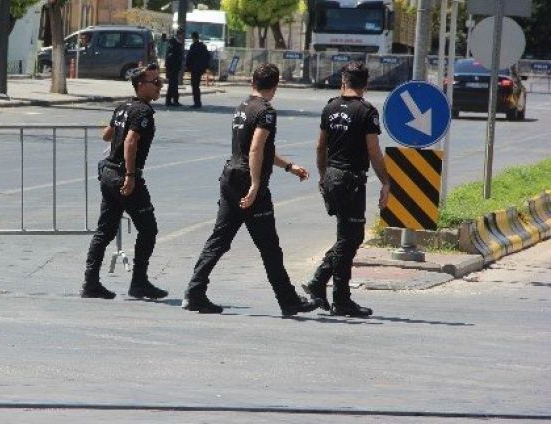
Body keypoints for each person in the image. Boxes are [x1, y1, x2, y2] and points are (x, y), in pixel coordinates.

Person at [182, 64, 320, 316]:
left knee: (220, 239)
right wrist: (256, 185)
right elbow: (256, 149)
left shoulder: (243, 106)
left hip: (231, 175)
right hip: (248, 180)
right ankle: (288, 300)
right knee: (269, 246)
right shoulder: (266, 111)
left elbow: (258, 150)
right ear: (275, 86)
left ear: (253, 82)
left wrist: (288, 166)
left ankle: (194, 292)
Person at [301, 61, 390, 317]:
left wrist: (322, 176)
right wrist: (386, 182)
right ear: (366, 84)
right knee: (350, 238)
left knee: (349, 236)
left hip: (332, 177)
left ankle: (330, 292)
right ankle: (329, 290)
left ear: (343, 81)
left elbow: (320, 147)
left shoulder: (329, 107)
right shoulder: (367, 111)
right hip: (350, 181)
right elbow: (374, 151)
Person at [82, 63, 168, 300]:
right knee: (148, 229)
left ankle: (90, 283)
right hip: (124, 176)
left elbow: (106, 135)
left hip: (109, 173)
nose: (160, 86)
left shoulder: (123, 107)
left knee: (105, 231)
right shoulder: (142, 112)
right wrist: (130, 176)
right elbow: (130, 142)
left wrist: (120, 125)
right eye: (155, 82)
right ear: (141, 86)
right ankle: (139, 283)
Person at [185, 31, 211, 108]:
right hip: (200, 69)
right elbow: (208, 56)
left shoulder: (193, 46)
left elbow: (189, 57)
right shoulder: (203, 46)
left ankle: (197, 102)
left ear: (193, 38)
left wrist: (187, 67)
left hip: (194, 69)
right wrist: (205, 67)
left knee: (195, 85)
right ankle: (198, 102)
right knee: (197, 85)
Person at [165, 28, 184, 107]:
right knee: (174, 84)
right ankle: (174, 100)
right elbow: (170, 56)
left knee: (172, 84)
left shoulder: (177, 42)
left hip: (175, 67)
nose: (182, 36)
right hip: (172, 67)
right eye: (182, 34)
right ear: (179, 34)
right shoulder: (174, 42)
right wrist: (169, 67)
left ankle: (169, 100)